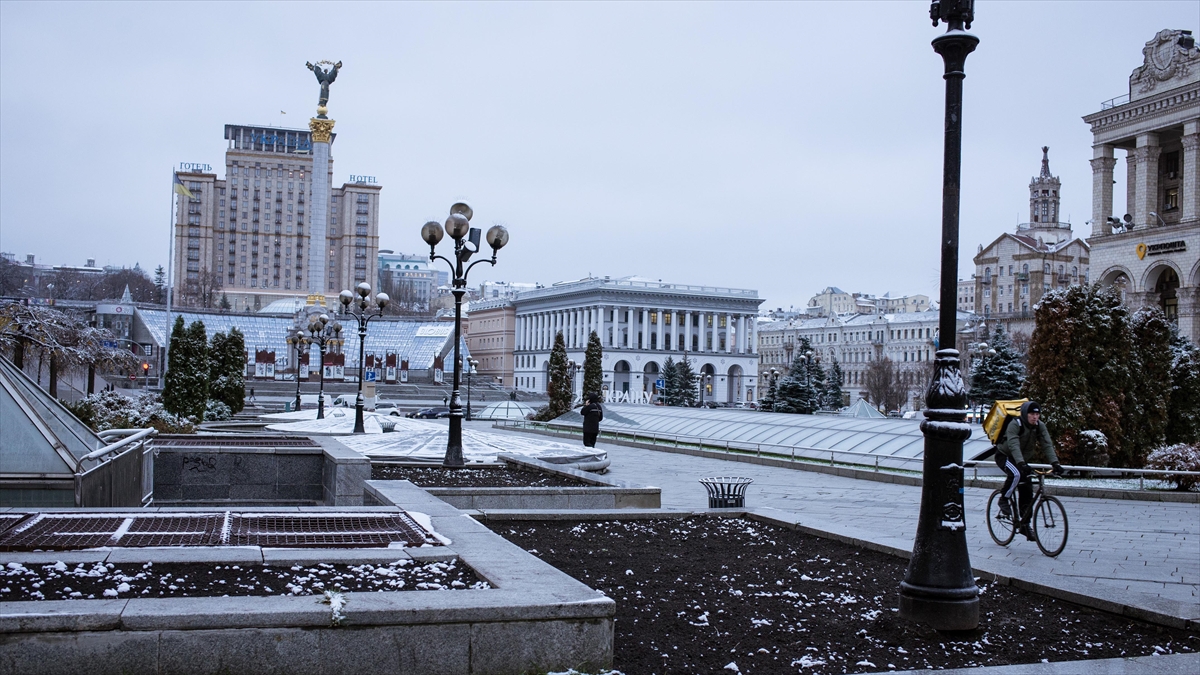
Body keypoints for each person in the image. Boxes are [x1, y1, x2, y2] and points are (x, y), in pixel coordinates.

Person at [995, 401, 1065, 540]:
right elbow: (1013, 444)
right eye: (1032, 414)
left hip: (1021, 459)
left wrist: (1055, 463)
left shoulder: (1039, 426)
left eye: (1037, 414)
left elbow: (1047, 444)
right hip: (1005, 455)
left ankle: (1025, 525)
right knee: (1016, 474)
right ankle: (1003, 499)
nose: (1035, 417)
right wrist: (1021, 463)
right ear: (1025, 414)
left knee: (1027, 488)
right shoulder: (1015, 424)